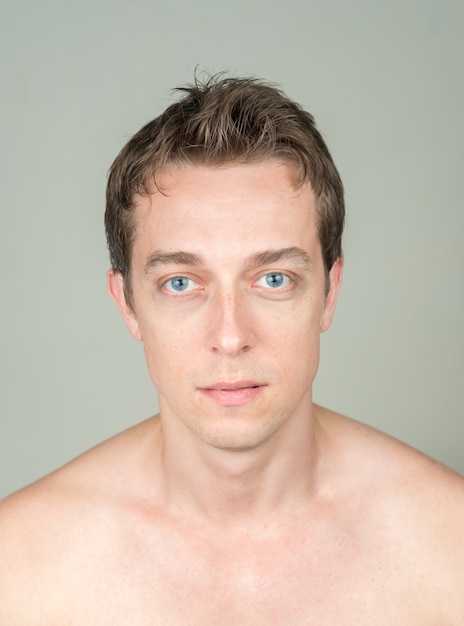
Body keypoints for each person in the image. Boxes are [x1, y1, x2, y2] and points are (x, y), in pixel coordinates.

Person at [0, 75, 463, 625]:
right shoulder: (19, 566)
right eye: (180, 283)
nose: (229, 335)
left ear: (329, 294)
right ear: (127, 305)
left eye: (273, 279)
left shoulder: (448, 548)